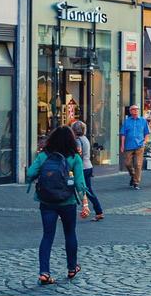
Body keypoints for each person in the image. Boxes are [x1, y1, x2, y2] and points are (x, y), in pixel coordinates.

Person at [25, 125, 90, 285]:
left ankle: (44, 272)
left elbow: (30, 173)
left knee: (47, 236)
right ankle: (72, 267)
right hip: (67, 201)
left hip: (47, 201)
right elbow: (80, 183)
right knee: (70, 233)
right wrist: (85, 203)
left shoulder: (44, 156)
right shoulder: (74, 157)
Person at [71, 121, 104, 222]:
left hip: (82, 168)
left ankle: (98, 211)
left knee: (85, 190)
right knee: (87, 190)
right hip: (88, 166)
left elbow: (78, 153)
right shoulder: (85, 139)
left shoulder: (77, 140)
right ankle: (98, 211)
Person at [119, 104, 149, 190]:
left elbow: (146, 133)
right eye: (133, 109)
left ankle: (136, 182)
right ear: (130, 111)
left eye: (137, 109)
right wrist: (122, 145)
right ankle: (133, 175)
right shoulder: (127, 121)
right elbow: (123, 134)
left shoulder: (143, 121)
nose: (135, 111)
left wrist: (145, 141)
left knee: (138, 164)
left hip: (140, 146)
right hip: (128, 145)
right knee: (127, 164)